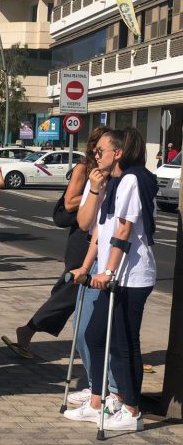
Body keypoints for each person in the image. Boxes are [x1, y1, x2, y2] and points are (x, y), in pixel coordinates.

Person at [67, 127, 157, 431]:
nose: (95, 155)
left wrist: (108, 271)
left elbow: (123, 231)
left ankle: (131, 410)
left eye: (100, 151)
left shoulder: (132, 179)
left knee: (124, 344)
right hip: (112, 274)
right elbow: (96, 230)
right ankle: (102, 400)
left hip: (131, 277)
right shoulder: (112, 183)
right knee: (94, 336)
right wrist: (86, 266)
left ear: (117, 153)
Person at [3, 127, 109, 360]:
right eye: (100, 148)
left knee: (72, 292)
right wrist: (98, 192)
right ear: (93, 147)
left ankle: (30, 330)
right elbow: (70, 203)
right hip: (82, 239)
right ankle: (28, 329)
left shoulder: (108, 171)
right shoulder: (84, 168)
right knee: (70, 293)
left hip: (98, 238)